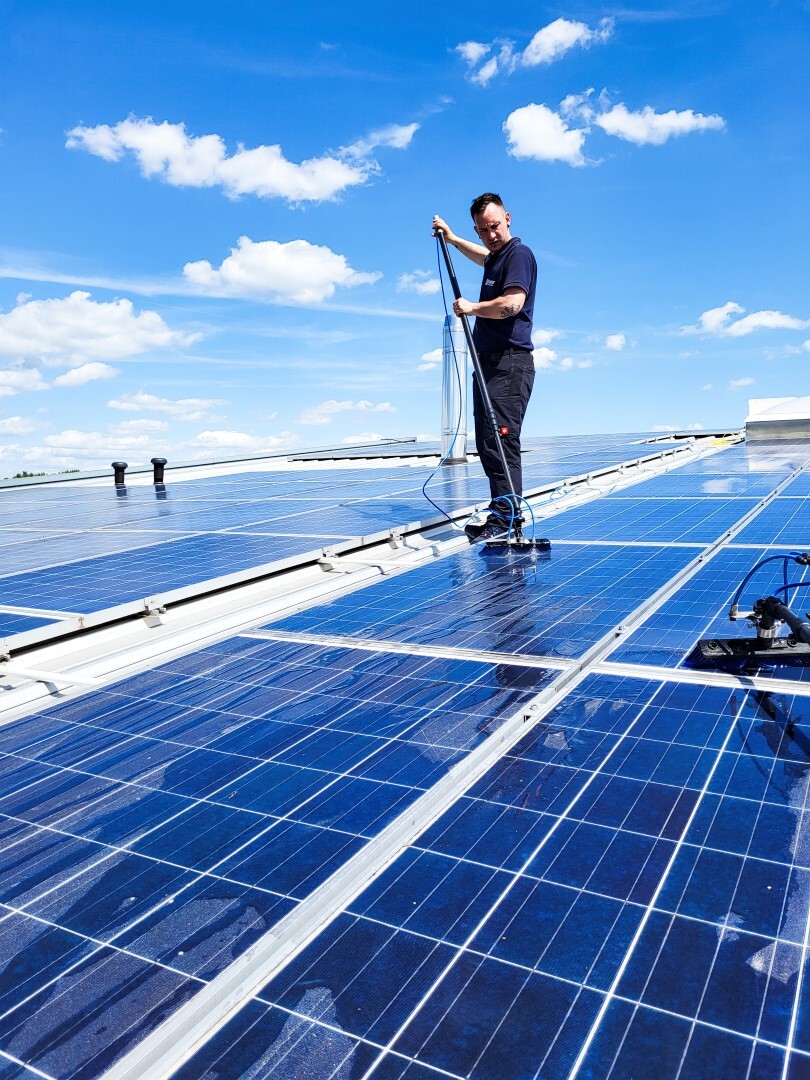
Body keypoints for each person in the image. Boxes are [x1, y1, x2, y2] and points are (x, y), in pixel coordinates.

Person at [432, 193, 537, 540]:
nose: (489, 235)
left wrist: (472, 308)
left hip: (509, 364)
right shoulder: (496, 257)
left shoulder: (518, 255)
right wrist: (452, 238)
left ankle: (507, 519)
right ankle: (501, 513)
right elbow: (484, 257)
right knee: (488, 441)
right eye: (482, 230)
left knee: (502, 440)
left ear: (507, 218)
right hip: (489, 366)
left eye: (494, 226)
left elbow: (513, 303)